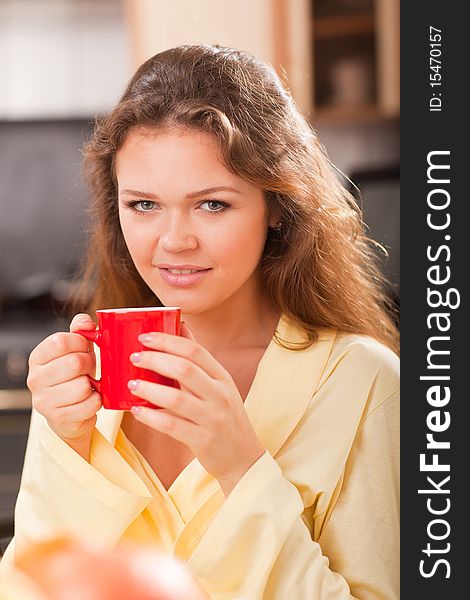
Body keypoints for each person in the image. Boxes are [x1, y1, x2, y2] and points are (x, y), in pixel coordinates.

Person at [0, 45, 399, 599]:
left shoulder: (364, 383)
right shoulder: (86, 378)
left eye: (212, 204)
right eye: (143, 205)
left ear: (278, 205)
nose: (173, 241)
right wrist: (69, 446)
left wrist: (240, 466)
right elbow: (32, 588)